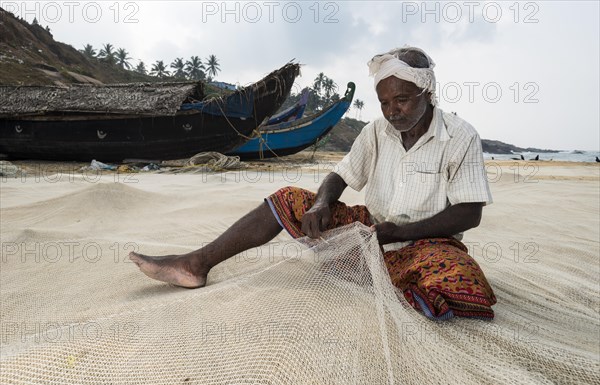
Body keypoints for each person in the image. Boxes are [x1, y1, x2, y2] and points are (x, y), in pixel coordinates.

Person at [130, 46, 496, 320]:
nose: (391, 110)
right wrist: (322, 204)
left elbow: (469, 213)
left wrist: (399, 232)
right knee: (290, 198)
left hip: (421, 243)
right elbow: (340, 176)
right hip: (371, 232)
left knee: (461, 278)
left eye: (401, 99)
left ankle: (375, 274)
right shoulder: (376, 132)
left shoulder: (460, 137)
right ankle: (196, 264)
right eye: (384, 102)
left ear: (427, 93)